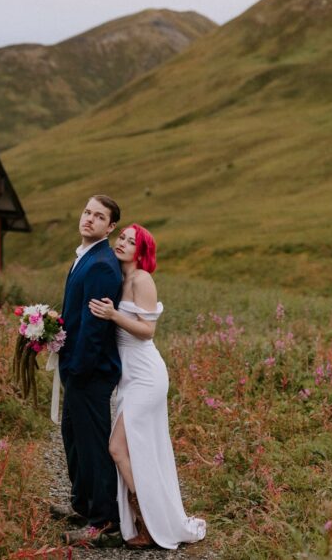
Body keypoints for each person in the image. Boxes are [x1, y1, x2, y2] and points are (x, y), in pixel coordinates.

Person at [88, 224, 206, 550]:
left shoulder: (142, 279)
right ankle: (151, 521)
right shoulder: (119, 278)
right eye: (122, 237)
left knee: (117, 447)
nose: (123, 243)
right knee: (137, 450)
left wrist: (113, 315)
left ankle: (147, 523)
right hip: (130, 377)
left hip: (147, 375)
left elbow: (147, 330)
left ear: (141, 252)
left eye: (131, 241)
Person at [54, 195, 125, 547]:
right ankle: (83, 505)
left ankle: (104, 522)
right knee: (74, 439)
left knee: (93, 446)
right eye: (87, 212)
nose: (89, 219)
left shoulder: (101, 264)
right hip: (77, 367)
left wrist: (77, 370)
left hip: (90, 371)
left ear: (110, 227)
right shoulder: (85, 256)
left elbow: (96, 329)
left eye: (99, 216)